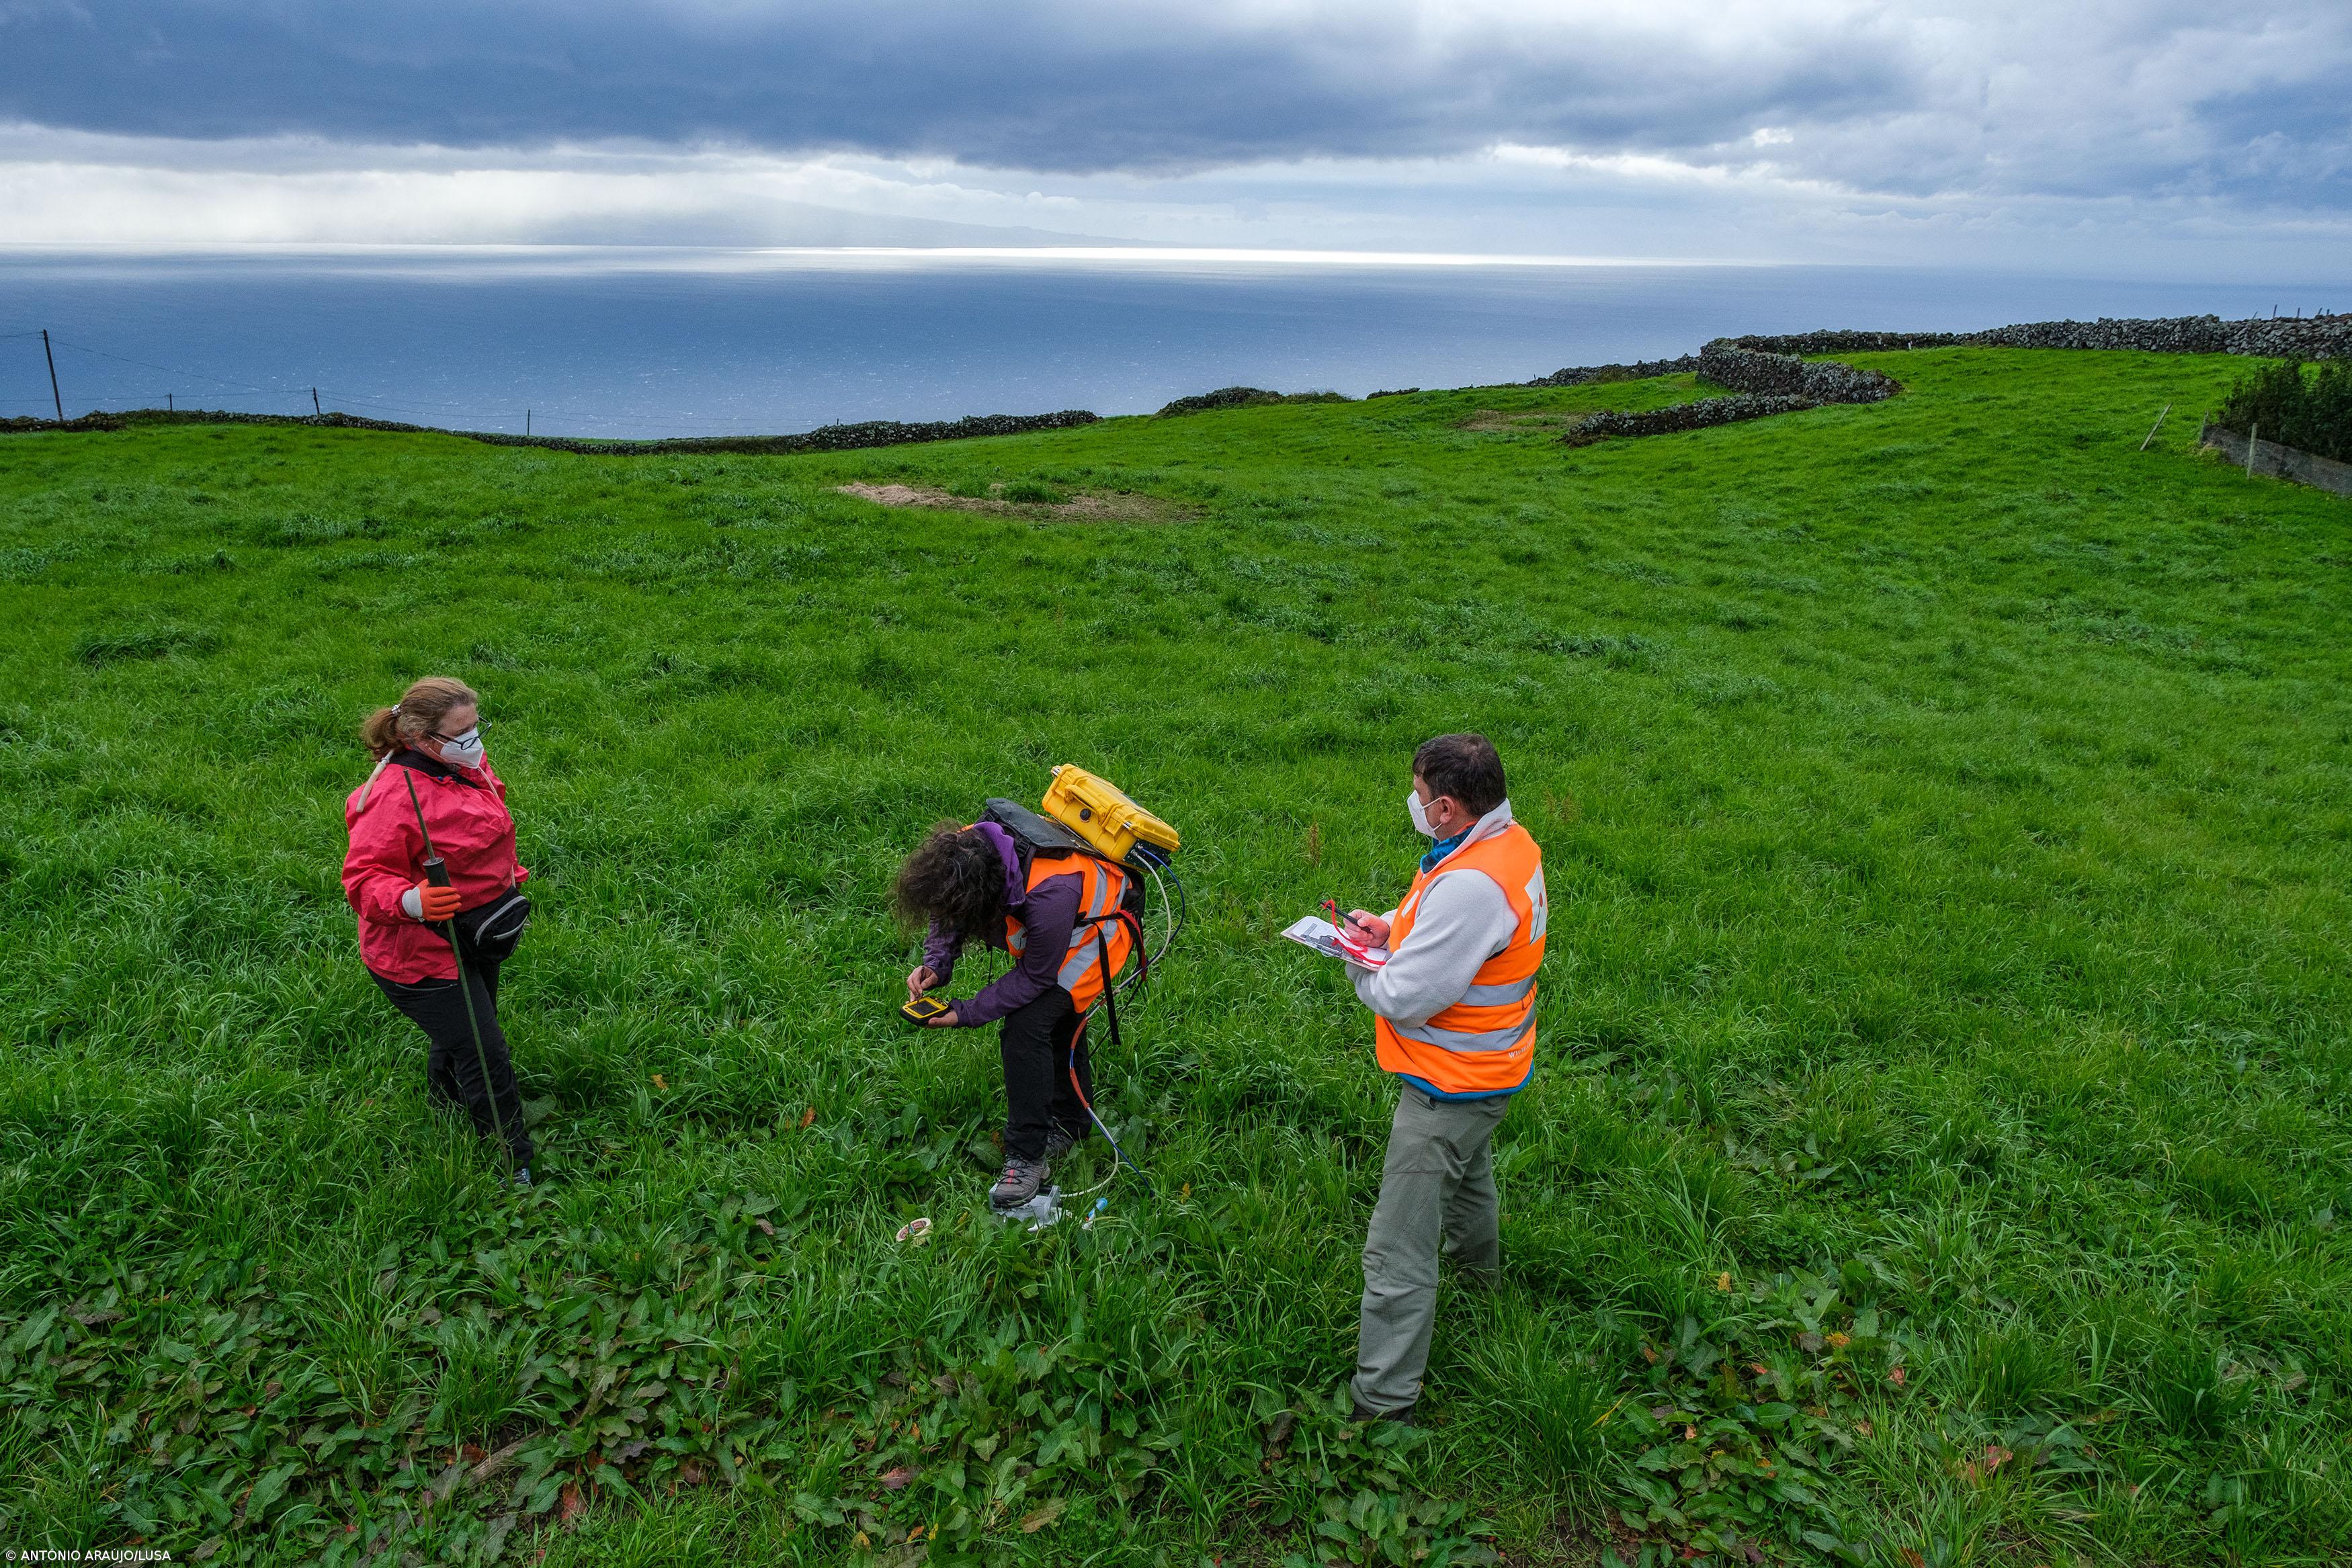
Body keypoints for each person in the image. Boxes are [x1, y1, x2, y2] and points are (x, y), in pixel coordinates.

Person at [1338, 733, 1546, 1422]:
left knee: (1395, 1252)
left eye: (1421, 796)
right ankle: (1479, 1281)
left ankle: (1381, 1402)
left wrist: (1354, 960)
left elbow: (1403, 996)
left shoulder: (1472, 885)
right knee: (1470, 1180)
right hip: (1488, 1073)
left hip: (1446, 1084)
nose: (1415, 804)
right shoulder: (1504, 846)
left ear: (1449, 808)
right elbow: (1437, 922)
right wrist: (1388, 927)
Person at [342, 676, 536, 1184]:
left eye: (477, 725)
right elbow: (362, 880)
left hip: (472, 931)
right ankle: (511, 1161)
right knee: (484, 1051)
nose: (477, 740)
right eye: (463, 731)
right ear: (424, 740)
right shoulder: (393, 796)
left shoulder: (460, 764)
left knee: (472, 1024)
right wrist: (411, 900)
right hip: (418, 953)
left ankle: (443, 1099)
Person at [896, 820, 1135, 1211]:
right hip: (1066, 920)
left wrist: (965, 1013)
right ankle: (1073, 1121)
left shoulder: (1050, 894)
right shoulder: (967, 851)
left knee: (1028, 1024)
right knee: (1053, 1021)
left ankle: (1026, 1158)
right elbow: (948, 906)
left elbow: (1037, 975)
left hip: (1099, 931)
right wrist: (938, 962)